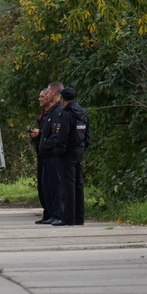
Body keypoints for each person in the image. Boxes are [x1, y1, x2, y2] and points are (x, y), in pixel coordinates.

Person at [51, 87, 90, 226]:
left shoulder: (66, 114)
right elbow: (87, 133)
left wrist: (58, 151)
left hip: (67, 153)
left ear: (62, 99)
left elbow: (62, 136)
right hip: (79, 150)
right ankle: (79, 217)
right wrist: (83, 146)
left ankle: (68, 218)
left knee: (68, 185)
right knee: (78, 184)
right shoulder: (82, 113)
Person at [38, 82, 65, 225]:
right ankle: (51, 213)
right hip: (46, 155)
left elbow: (57, 134)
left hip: (53, 155)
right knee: (47, 186)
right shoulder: (50, 112)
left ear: (54, 93)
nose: (45, 96)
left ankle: (58, 213)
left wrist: (46, 144)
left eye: (47, 93)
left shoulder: (58, 111)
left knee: (56, 185)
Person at [28, 88, 51, 223]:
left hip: (49, 153)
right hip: (41, 152)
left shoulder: (55, 113)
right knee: (42, 185)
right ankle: (47, 212)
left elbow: (54, 131)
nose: (40, 99)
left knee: (49, 184)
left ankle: (53, 213)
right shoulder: (43, 114)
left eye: (42, 96)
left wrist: (40, 133)